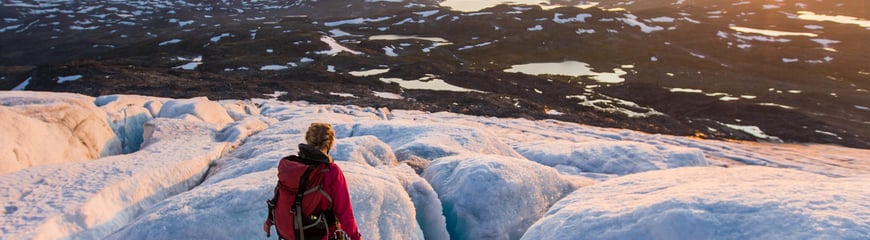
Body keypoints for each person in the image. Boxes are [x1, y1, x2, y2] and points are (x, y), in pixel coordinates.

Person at [264, 123, 362, 240]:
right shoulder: (331, 171)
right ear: (329, 143)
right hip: (322, 234)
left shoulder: (293, 166)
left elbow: (280, 196)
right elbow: (344, 211)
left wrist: (269, 221)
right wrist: (356, 237)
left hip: (294, 233)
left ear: (308, 139)